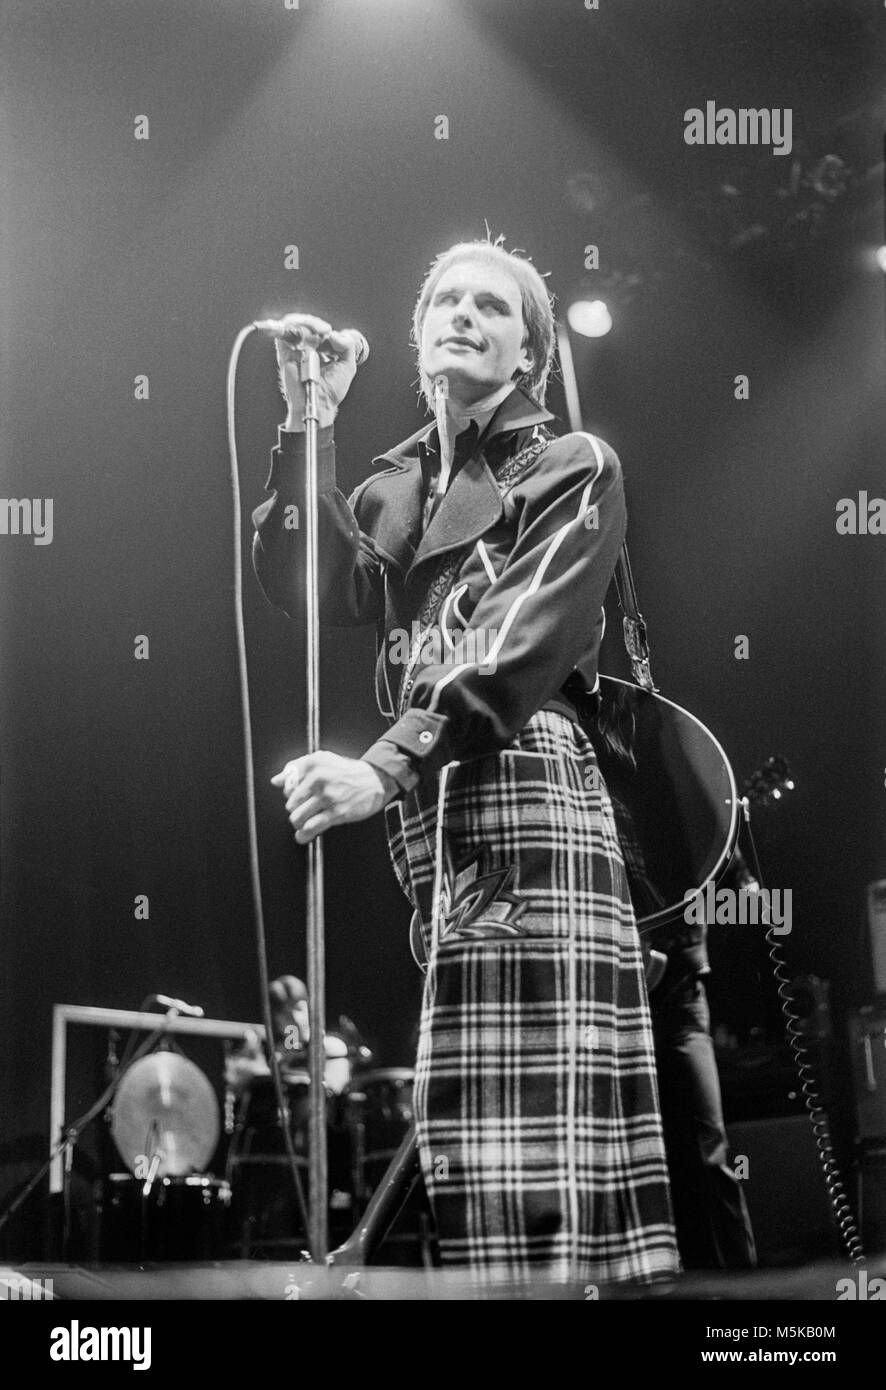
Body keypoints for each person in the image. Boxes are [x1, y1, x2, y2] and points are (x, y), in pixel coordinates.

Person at [251, 237, 679, 1286]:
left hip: (523, 781)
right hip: (435, 806)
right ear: (416, 332)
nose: (463, 313)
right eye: (444, 297)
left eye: (493, 304)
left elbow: (513, 655)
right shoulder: (396, 481)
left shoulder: (572, 466)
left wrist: (383, 768)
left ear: (529, 350)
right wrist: (311, 419)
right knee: (475, 1132)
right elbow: (306, 588)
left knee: (531, 1140)